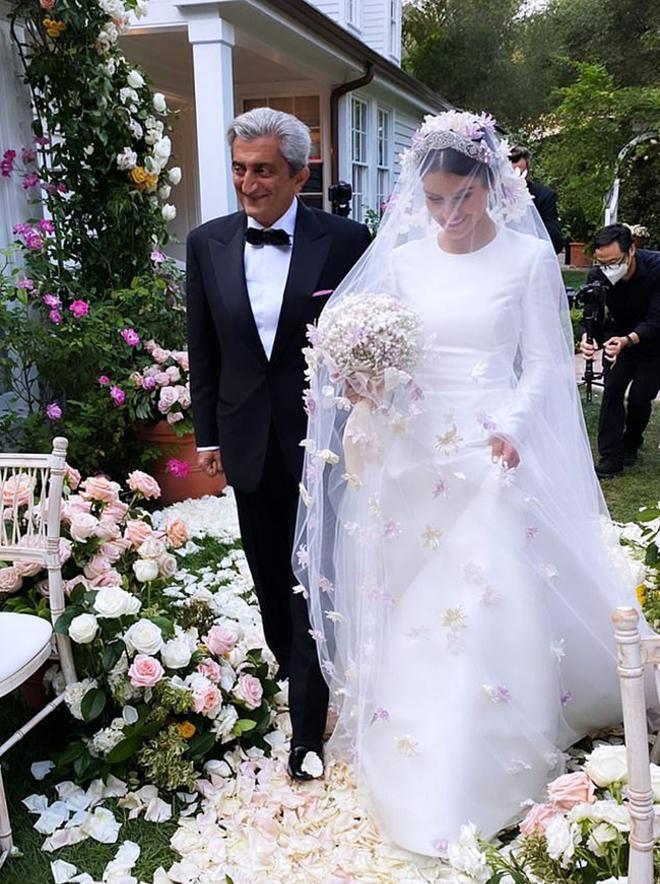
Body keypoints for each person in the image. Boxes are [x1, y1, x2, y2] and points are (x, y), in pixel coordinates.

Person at [294, 111, 637, 853]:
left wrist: (512, 425)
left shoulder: (526, 259)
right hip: (411, 447)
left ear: (491, 185)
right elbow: (389, 351)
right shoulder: (409, 260)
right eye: (436, 199)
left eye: (462, 198)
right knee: (411, 587)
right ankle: (411, 731)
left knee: (479, 596)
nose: (448, 214)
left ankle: (472, 761)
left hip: (487, 448)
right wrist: (365, 380)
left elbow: (545, 362)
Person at [186, 107, 371, 780]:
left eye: (264, 170)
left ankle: (308, 722)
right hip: (245, 435)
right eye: (239, 168)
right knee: (269, 575)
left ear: (299, 173)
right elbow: (202, 350)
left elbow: (369, 338)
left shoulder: (347, 240)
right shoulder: (206, 243)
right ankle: (296, 663)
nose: (249, 183)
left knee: (310, 577)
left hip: (323, 441)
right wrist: (208, 436)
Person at [579, 223, 660, 478]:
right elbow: (589, 315)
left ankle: (631, 442)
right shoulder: (598, 275)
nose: (608, 269)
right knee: (612, 390)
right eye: (602, 263)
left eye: (614, 261)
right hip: (617, 337)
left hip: (653, 341)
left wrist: (629, 339)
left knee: (640, 396)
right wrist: (587, 338)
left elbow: (657, 319)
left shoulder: (657, 268)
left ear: (632, 250)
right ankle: (609, 456)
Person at [509, 145, 563, 254]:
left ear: (527, 167)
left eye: (515, 160)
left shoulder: (544, 196)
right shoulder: (487, 194)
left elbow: (555, 241)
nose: (512, 166)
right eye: (508, 160)